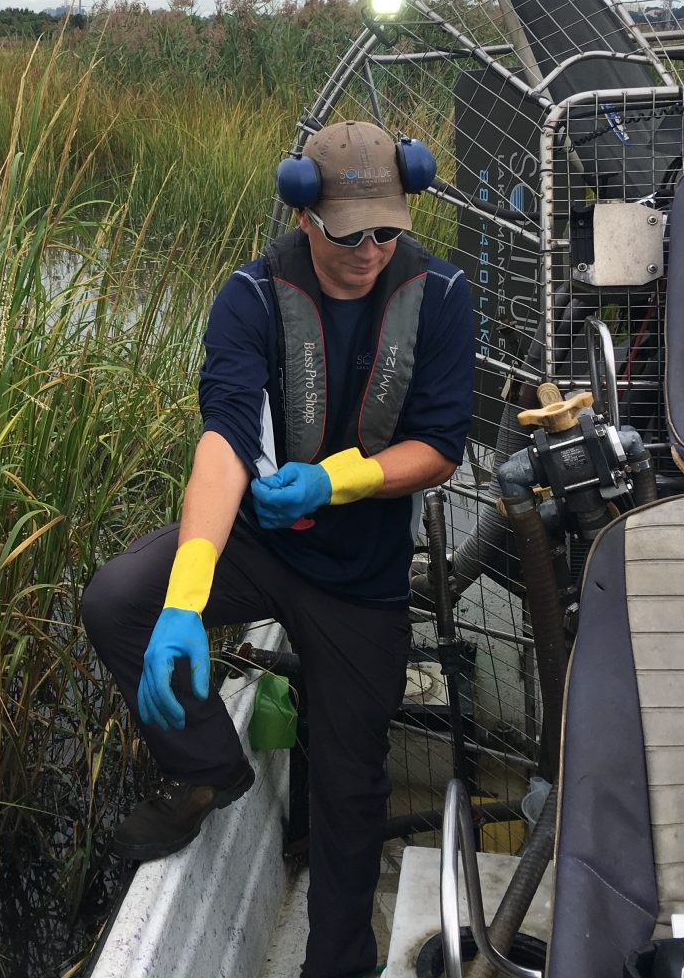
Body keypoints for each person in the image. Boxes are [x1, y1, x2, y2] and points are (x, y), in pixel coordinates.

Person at [82, 119, 475, 978]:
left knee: (350, 784)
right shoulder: (251, 297)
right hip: (260, 544)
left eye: (387, 229)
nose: (369, 249)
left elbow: (441, 447)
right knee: (119, 601)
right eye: (348, 232)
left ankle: (336, 965)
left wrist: (337, 482)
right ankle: (208, 769)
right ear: (305, 216)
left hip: (360, 578)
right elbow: (222, 444)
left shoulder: (441, 295)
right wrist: (185, 601)